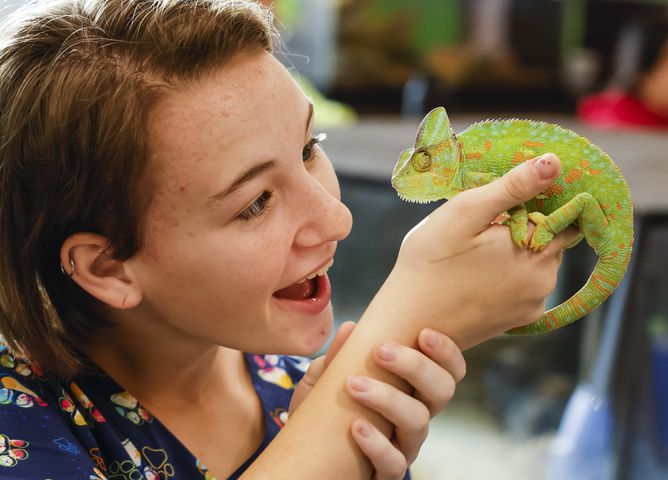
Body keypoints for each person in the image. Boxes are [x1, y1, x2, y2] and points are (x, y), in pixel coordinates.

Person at [0, 1, 579, 479]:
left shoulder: (287, 377)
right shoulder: (22, 421)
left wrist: (332, 433)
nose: (337, 220)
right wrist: (407, 321)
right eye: (254, 203)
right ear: (108, 268)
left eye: (309, 147)